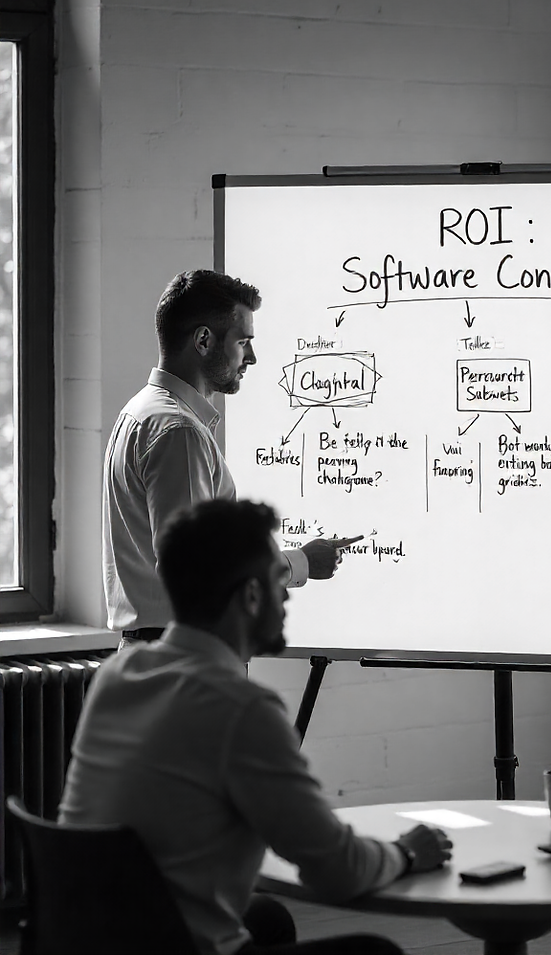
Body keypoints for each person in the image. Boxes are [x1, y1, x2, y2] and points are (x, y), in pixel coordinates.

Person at [61, 498, 453, 955]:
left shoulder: (117, 676)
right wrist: (406, 853)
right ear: (250, 596)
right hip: (175, 945)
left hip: (86, 935)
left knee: (266, 918)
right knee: (375, 952)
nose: (286, 594)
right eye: (277, 578)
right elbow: (337, 870)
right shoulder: (241, 709)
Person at [103, 269, 357, 645]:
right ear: (204, 340)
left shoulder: (142, 412)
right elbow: (198, 571)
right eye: (243, 341)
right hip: (185, 659)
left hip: (162, 650)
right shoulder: (178, 431)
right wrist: (301, 562)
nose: (251, 356)